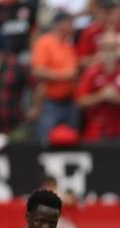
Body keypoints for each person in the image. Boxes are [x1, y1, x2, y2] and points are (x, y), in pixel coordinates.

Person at [76, 44, 120, 141]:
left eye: (112, 50)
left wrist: (118, 97)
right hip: (97, 127)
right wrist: (101, 96)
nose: (109, 54)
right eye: (106, 50)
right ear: (100, 53)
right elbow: (80, 101)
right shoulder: (91, 72)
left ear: (118, 52)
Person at [31, 10, 79, 144]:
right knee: (45, 139)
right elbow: (39, 71)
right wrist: (64, 76)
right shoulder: (45, 42)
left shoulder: (69, 45)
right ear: (61, 24)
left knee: (70, 138)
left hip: (70, 100)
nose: (73, 27)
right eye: (70, 23)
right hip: (51, 101)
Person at [77, 0, 120, 68]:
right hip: (97, 75)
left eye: (111, 11)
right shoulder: (90, 32)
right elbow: (81, 61)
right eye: (105, 12)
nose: (108, 16)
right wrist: (100, 57)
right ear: (99, 12)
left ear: (119, 11)